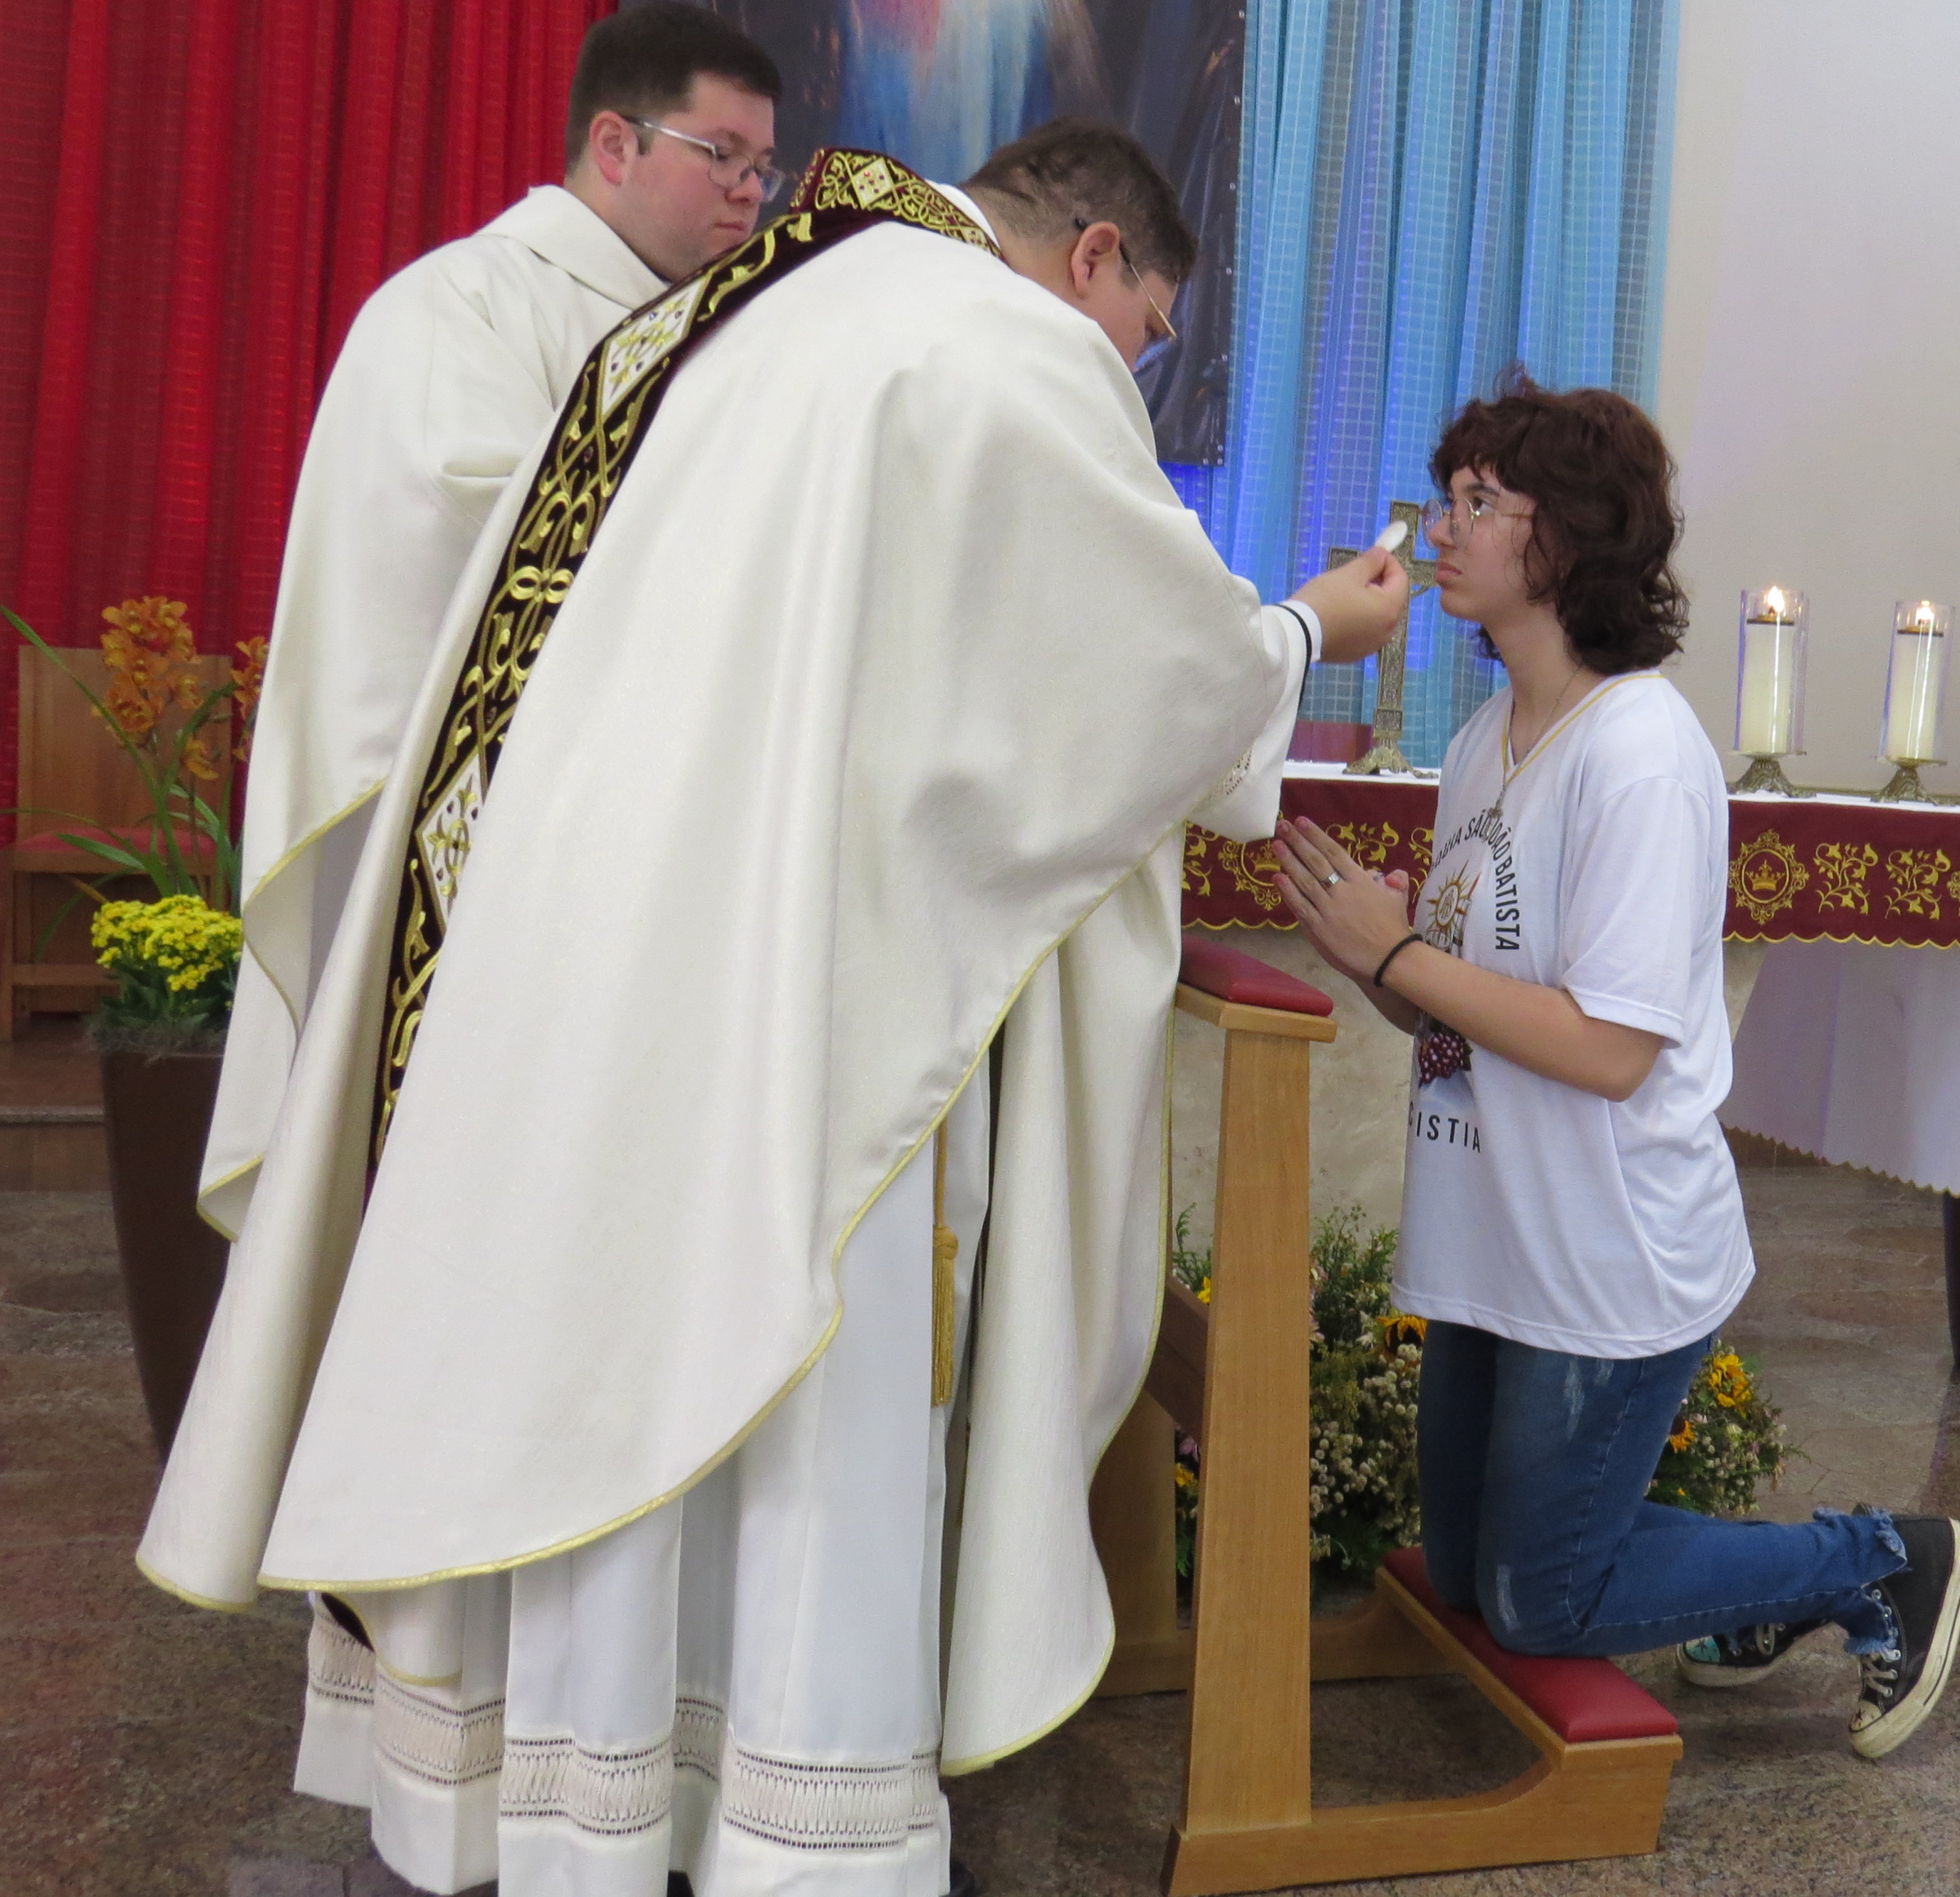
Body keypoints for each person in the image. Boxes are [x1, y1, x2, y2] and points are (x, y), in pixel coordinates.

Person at [139, 130, 1411, 1894]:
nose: (1135, 363)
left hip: (583, 951)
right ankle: (777, 1822)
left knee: (591, 1338)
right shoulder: (990, 338)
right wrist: (1305, 631)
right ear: (1093, 258)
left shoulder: (712, 320)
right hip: (793, 983)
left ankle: (557, 1791)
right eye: (1149, 328)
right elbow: (1142, 675)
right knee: (782, 1361)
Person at [1269, 377, 1960, 1762]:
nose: (1442, 528)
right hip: (1495, 1229)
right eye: (1449, 496)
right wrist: (1370, 957)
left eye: (1481, 501)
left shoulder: (1641, 754)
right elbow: (1461, 1015)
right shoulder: (1481, 742)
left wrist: (1396, 950)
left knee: (1545, 1599)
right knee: (1472, 1573)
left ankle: (1882, 1559)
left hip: (1603, 1249)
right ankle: (1762, 1588)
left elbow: (1607, 1047)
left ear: (1571, 535)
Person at [203, 1, 786, 1238]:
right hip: (464, 844)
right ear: (615, 144)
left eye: (762, 166)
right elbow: (478, 546)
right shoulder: (461, 306)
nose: (749, 192)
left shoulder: (724, 339)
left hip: (634, 853)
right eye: (722, 155)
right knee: (446, 1209)